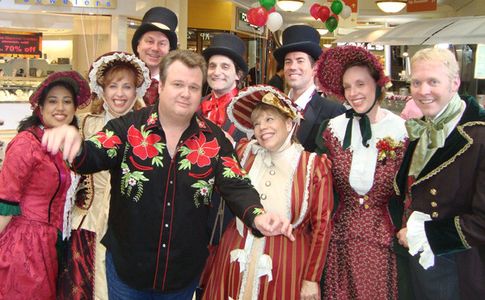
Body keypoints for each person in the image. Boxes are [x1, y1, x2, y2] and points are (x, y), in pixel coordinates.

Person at [41, 50, 294, 299]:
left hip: (182, 276)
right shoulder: (127, 128)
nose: (186, 93)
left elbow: (237, 184)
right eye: (178, 84)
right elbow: (92, 155)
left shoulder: (215, 140)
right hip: (127, 273)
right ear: (161, 86)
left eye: (194, 87)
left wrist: (258, 216)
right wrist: (73, 144)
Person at [202, 85, 334, 299]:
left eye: (270, 119)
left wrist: (311, 279)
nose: (262, 127)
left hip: (286, 267)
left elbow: (322, 226)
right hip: (234, 258)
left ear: (289, 123)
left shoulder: (313, 166)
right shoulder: (245, 153)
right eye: (256, 123)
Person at [314, 45, 408, 299]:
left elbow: (411, 189)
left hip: (384, 244)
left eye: (360, 84)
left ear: (377, 85)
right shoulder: (331, 129)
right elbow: (316, 183)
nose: (353, 93)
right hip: (339, 243)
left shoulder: (403, 131)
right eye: (347, 87)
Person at [394, 47, 485, 299]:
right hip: (416, 259)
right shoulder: (421, 128)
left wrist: (424, 235)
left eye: (433, 81)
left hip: (457, 266)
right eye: (416, 82)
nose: (423, 91)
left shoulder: (479, 135)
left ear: (454, 83)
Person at [58, 52, 151, 299]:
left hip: (135, 228)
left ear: (137, 91)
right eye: (113, 86)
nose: (119, 94)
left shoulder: (149, 129)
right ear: (102, 89)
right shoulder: (86, 124)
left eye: (127, 87)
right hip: (89, 224)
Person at [0, 71, 90, 299]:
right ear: (39, 107)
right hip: (24, 246)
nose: (60, 107)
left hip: (52, 244)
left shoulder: (66, 143)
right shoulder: (26, 143)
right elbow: (5, 200)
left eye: (67, 101)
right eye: (53, 101)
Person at [274, 25, 345, 152]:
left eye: (300, 61)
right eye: (288, 61)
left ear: (315, 68)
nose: (292, 67)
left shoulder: (333, 112)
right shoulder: (274, 107)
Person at [201, 33, 248, 142]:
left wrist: (233, 145)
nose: (216, 72)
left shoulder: (248, 110)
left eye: (225, 67)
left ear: (238, 74)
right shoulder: (196, 105)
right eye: (212, 66)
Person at [132, 6, 178, 105]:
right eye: (150, 41)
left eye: (162, 43)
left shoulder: (177, 83)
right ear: (138, 45)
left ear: (169, 50)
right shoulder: (123, 79)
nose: (155, 48)